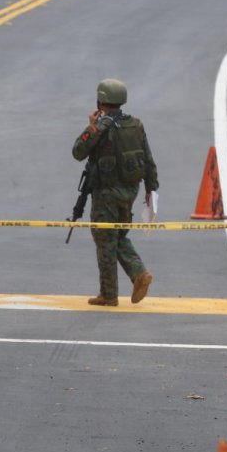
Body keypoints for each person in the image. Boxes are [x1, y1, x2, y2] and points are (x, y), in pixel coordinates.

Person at [71, 78, 158, 306]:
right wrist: (151, 189)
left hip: (106, 194)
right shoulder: (135, 125)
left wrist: (91, 126)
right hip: (131, 192)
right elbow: (148, 159)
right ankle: (137, 275)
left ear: (101, 101)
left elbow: (78, 151)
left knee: (105, 238)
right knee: (117, 236)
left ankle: (111, 293)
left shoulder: (100, 127)